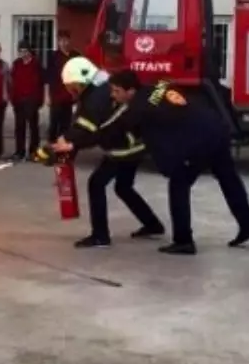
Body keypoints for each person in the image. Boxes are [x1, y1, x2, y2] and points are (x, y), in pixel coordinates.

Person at [56, 70, 249, 255]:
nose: (113, 96)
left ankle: (184, 241)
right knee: (228, 178)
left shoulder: (137, 108)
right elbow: (168, 89)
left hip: (198, 141)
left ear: (131, 91)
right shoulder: (158, 86)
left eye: (117, 91)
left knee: (179, 184)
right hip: (216, 129)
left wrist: (73, 145)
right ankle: (247, 226)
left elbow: (110, 131)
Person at [49, 56, 165, 248]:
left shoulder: (93, 99)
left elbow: (88, 131)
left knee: (96, 184)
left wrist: (66, 144)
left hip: (122, 148)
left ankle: (100, 236)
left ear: (79, 82)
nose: (69, 90)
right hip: (134, 145)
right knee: (123, 187)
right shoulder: (103, 85)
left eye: (70, 86)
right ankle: (152, 224)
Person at [9, 41, 44, 161]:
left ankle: (33, 152)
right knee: (19, 127)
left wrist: (39, 100)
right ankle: (19, 151)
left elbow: (40, 84)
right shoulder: (16, 64)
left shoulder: (36, 64)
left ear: (30, 52)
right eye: (21, 51)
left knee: (33, 127)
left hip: (32, 100)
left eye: (25, 51)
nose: (23, 54)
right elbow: (12, 82)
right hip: (18, 99)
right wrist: (12, 98)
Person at [46, 30, 80, 143]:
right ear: (58, 42)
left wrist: (78, 93)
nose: (64, 43)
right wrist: (47, 96)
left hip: (70, 96)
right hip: (56, 96)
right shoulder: (53, 57)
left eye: (66, 40)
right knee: (54, 124)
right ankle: (51, 148)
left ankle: (63, 150)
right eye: (61, 40)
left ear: (70, 40)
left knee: (66, 125)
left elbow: (80, 76)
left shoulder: (76, 56)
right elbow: (49, 78)